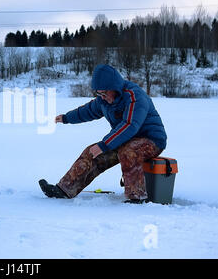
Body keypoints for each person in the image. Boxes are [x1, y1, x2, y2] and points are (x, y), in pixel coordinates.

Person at [39, 64, 167, 203]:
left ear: (115, 88)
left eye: (104, 93)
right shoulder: (104, 101)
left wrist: (104, 144)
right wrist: (66, 118)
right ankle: (64, 190)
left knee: (128, 151)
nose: (102, 97)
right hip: (124, 139)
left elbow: (130, 125)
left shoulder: (134, 96)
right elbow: (87, 111)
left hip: (151, 140)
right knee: (92, 152)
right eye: (99, 94)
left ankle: (137, 197)